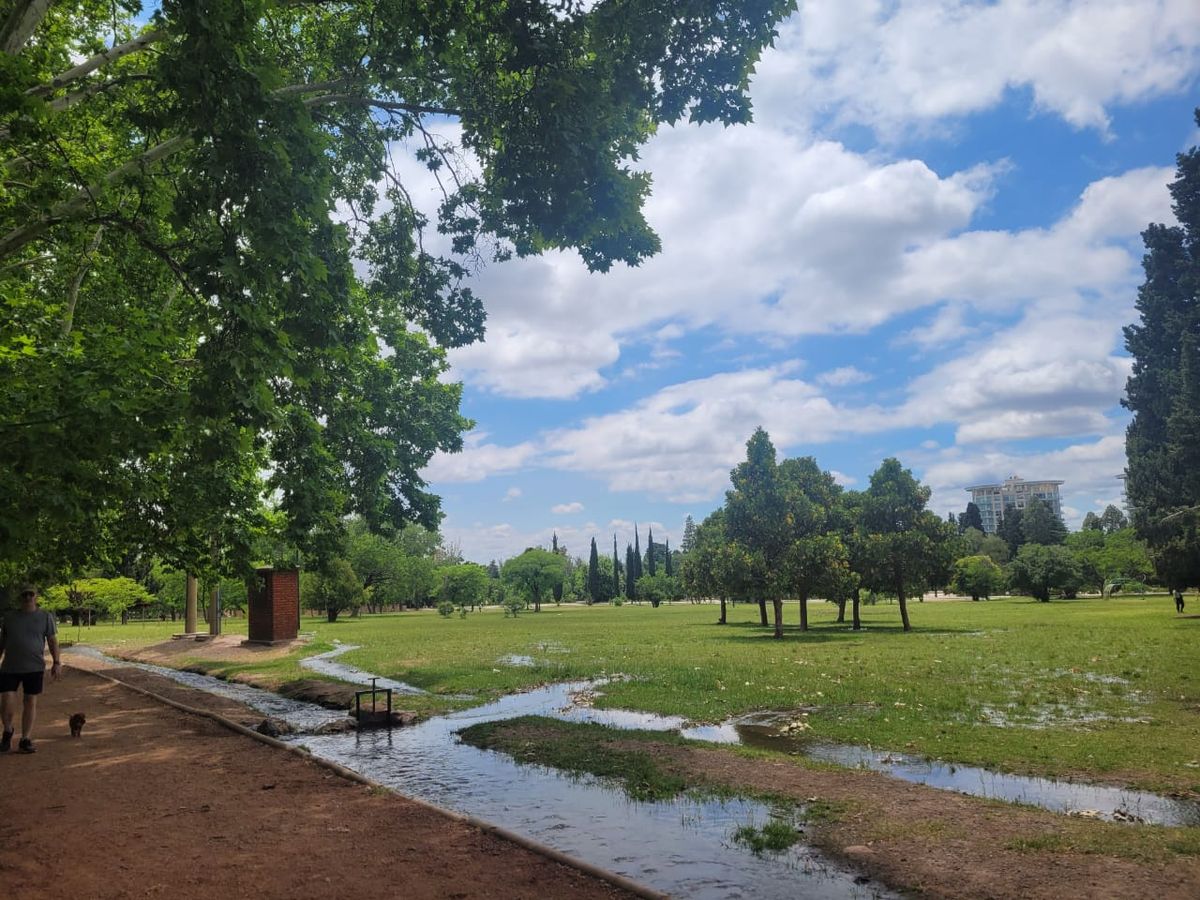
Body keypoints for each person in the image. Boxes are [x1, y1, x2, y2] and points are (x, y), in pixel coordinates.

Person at [0, 584, 61, 754]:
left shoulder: (45, 617)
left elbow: (52, 641)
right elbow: (2, 642)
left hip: (34, 667)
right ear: (20, 597)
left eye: (30, 594)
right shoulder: (9, 618)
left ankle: (25, 739)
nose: (27, 597)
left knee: (30, 701)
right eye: (24, 594)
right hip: (10, 667)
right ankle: (7, 730)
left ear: (36, 596)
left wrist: (56, 662)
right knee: (6, 702)